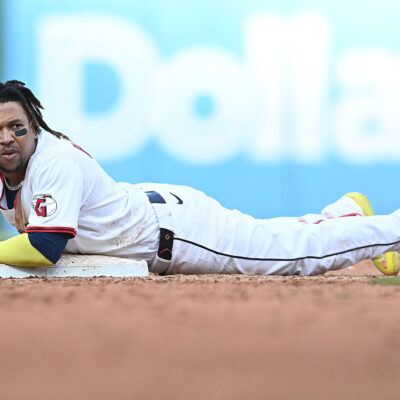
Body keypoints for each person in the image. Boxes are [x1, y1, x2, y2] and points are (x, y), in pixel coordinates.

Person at [0, 79, 398, 276]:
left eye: (17, 126)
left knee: (295, 254)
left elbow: (44, 247)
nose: (7, 138)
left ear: (35, 127)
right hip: (149, 212)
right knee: (271, 237)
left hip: (180, 233)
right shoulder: (10, 165)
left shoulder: (54, 162)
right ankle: (347, 212)